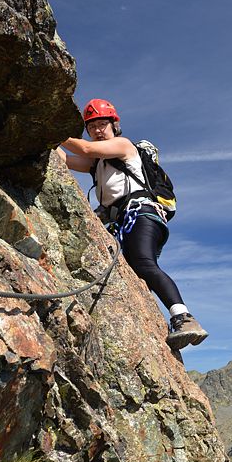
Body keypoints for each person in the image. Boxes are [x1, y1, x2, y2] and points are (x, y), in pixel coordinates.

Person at [58, 98, 208, 351]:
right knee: (138, 271)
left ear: (114, 125)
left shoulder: (123, 146)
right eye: (91, 126)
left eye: (102, 124)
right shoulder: (97, 163)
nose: (97, 130)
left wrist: (53, 127)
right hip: (126, 221)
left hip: (142, 214)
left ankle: (184, 318)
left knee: (143, 263)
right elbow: (65, 159)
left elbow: (82, 149)